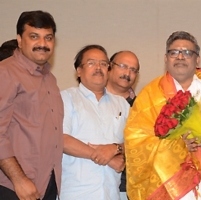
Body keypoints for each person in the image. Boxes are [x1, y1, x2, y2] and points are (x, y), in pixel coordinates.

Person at [124, 31, 201, 200]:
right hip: (169, 182)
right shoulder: (150, 95)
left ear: (197, 59)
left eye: (187, 52)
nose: (180, 57)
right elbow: (135, 140)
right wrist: (178, 145)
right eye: (174, 52)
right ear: (166, 59)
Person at [0, 10, 63, 200]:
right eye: (34, 37)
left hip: (46, 185)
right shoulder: (6, 73)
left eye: (48, 38)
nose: (42, 44)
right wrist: (19, 179)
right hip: (15, 187)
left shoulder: (50, 79)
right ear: (19, 40)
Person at [60, 45, 129, 199]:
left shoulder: (122, 104)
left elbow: (135, 142)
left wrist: (115, 148)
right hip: (76, 193)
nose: (99, 68)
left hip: (112, 193)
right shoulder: (66, 98)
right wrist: (105, 157)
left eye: (104, 64)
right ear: (79, 70)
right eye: (91, 63)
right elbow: (62, 140)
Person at [106, 50, 140, 200]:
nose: (128, 73)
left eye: (133, 70)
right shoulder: (91, 101)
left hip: (128, 187)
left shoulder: (142, 107)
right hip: (89, 183)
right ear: (109, 67)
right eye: (123, 66)